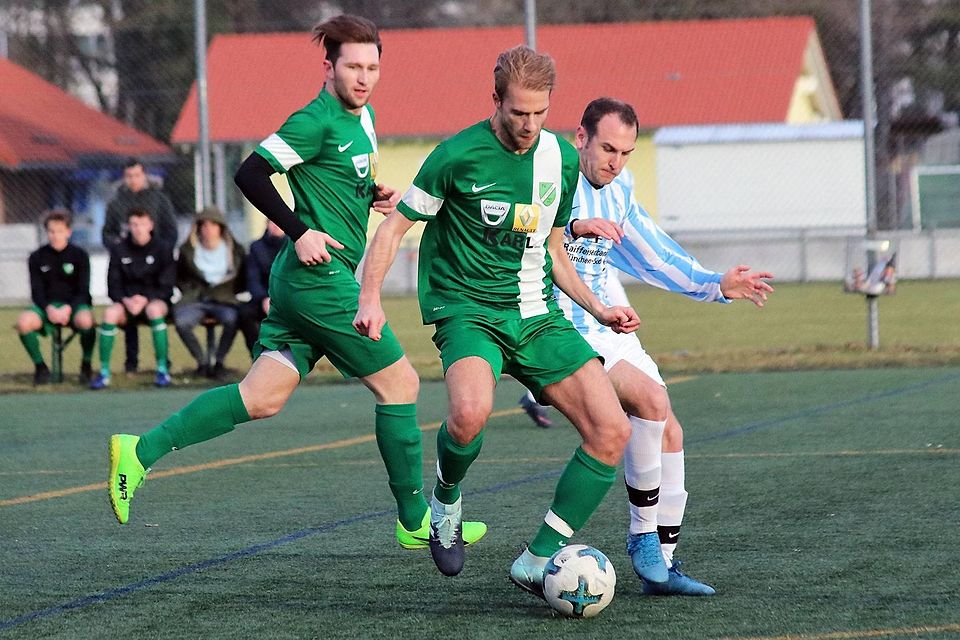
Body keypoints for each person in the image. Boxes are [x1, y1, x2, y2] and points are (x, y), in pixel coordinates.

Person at [105, 15, 486, 554]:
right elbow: (250, 173)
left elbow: (333, 176)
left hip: (307, 280)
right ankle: (415, 520)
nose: (364, 78)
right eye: (353, 67)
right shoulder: (314, 120)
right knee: (400, 384)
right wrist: (299, 230)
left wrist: (369, 193)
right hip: (318, 280)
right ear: (328, 67)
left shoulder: (364, 116)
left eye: (373, 67)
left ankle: (138, 452)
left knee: (260, 398)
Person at [354, 46, 637, 592]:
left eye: (540, 112)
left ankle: (537, 558)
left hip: (536, 314)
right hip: (467, 311)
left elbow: (553, 248)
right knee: (469, 414)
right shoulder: (456, 156)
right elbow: (393, 229)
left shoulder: (561, 159)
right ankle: (446, 503)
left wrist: (599, 309)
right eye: (518, 112)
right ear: (496, 101)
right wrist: (371, 298)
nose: (529, 125)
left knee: (612, 431)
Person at [550, 97, 774, 595]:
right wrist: (574, 227)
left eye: (626, 152)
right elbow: (529, 241)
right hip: (559, 325)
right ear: (581, 138)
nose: (616, 161)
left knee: (670, 431)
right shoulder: (552, 176)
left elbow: (652, 253)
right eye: (608, 148)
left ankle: (664, 567)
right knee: (651, 401)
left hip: (607, 321)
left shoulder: (619, 190)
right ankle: (642, 536)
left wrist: (715, 284)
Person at [103, 157, 179, 375]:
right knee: (128, 314)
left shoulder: (159, 199)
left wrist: (159, 251)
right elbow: (107, 233)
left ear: (144, 175)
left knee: (154, 310)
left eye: (136, 175)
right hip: (128, 268)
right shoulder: (116, 203)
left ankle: (163, 364)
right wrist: (120, 249)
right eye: (129, 176)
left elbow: (171, 230)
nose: (133, 180)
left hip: (154, 270)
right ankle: (130, 363)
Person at [90, 208, 176, 390]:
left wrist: (146, 299)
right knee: (110, 314)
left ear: (150, 225)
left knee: (155, 310)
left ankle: (162, 370)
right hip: (127, 303)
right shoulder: (119, 249)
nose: (138, 229)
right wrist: (126, 300)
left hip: (153, 301)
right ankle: (104, 372)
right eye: (134, 224)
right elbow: (113, 285)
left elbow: (167, 286)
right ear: (128, 226)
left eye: (142, 224)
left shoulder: (163, 248)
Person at [17, 209, 96, 385]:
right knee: (23, 323)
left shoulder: (80, 255)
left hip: (74, 306)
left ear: (68, 232)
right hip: (47, 307)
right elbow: (36, 291)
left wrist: (68, 308)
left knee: (87, 321)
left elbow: (83, 290)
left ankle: (86, 365)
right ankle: (40, 367)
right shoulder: (36, 257)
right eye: (51, 231)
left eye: (60, 231)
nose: (55, 236)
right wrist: (49, 309)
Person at [173, 205, 246, 380]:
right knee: (182, 322)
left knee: (232, 319)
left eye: (213, 224)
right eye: (204, 225)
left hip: (224, 299)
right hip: (195, 299)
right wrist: (190, 291)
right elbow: (179, 276)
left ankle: (219, 362)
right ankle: (202, 363)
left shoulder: (235, 250)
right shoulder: (188, 250)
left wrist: (227, 292)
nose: (208, 229)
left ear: (220, 227)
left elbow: (242, 279)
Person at [238, 220, 285, 357]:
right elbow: (252, 277)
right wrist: (264, 298)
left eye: (279, 222)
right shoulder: (256, 247)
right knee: (244, 313)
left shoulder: (293, 246)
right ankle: (257, 355)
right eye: (272, 222)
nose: (276, 225)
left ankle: (288, 358)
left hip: (287, 298)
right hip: (263, 299)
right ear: (267, 224)